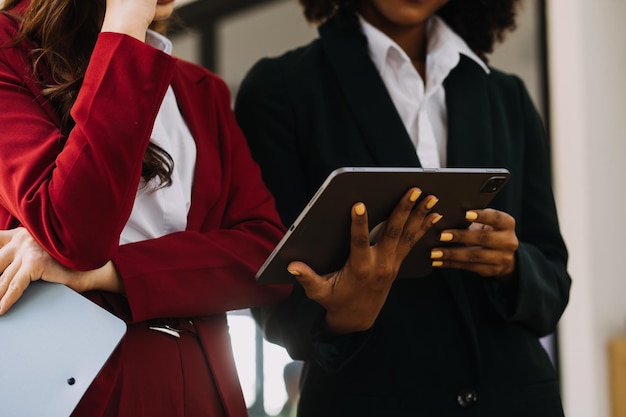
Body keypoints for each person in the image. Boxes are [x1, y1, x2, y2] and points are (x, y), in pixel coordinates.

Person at [234, 0, 571, 416]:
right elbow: (270, 291)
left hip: (515, 400)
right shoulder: (280, 90)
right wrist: (341, 315)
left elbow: (554, 284)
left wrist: (514, 266)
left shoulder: (507, 97)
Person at [0, 0, 298, 415]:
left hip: (204, 392)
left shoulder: (202, 90)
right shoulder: (7, 50)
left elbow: (269, 260)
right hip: (80, 393)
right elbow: (75, 233)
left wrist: (111, 273)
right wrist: (124, 22)